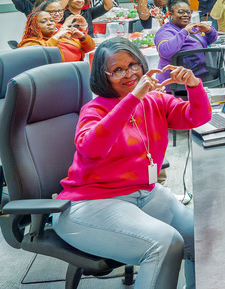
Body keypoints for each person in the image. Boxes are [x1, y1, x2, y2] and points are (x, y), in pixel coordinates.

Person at [52, 39, 210, 289]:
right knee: (165, 243)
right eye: (118, 70)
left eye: (134, 65)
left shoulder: (155, 101)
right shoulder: (94, 110)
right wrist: (134, 98)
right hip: (90, 202)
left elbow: (197, 117)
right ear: (103, 76)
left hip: (144, 193)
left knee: (200, 233)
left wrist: (193, 85)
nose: (130, 74)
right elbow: (92, 149)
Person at [154, 0, 218, 80]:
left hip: (199, 73)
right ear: (170, 14)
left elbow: (211, 40)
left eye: (188, 12)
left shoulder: (192, 26)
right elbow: (165, 51)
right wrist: (184, 32)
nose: (185, 15)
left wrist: (209, 30)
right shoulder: (165, 31)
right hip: (177, 79)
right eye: (181, 12)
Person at [18, 9, 94, 62]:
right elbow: (43, 56)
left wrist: (82, 37)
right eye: (44, 21)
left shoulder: (63, 36)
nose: (50, 23)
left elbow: (90, 48)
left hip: (76, 71)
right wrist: (57, 36)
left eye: (51, 20)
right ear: (33, 26)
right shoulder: (29, 42)